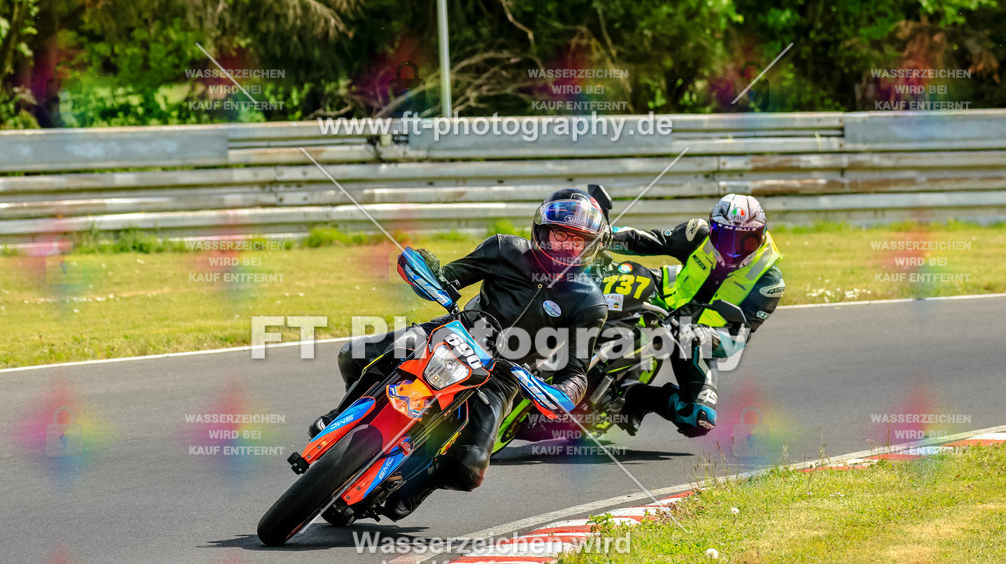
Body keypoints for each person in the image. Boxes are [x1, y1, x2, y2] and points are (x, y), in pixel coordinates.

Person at [311, 188, 610, 519]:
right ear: (542, 230)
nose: (566, 245)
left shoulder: (589, 302)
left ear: (591, 246)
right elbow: (448, 278)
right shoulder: (504, 249)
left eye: (577, 239)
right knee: (354, 354)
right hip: (452, 333)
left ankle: (416, 486)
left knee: (470, 466)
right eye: (560, 234)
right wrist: (425, 273)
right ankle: (341, 417)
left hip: (505, 376)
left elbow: (576, 372)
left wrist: (560, 393)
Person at [609, 194, 785, 438]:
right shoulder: (698, 234)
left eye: (747, 241)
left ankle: (635, 398)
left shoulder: (769, 282)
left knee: (699, 418)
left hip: (693, 339)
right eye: (726, 238)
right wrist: (604, 237)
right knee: (620, 277)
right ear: (713, 230)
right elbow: (650, 241)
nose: (735, 249)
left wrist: (707, 336)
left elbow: (738, 338)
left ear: (762, 235)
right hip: (659, 298)